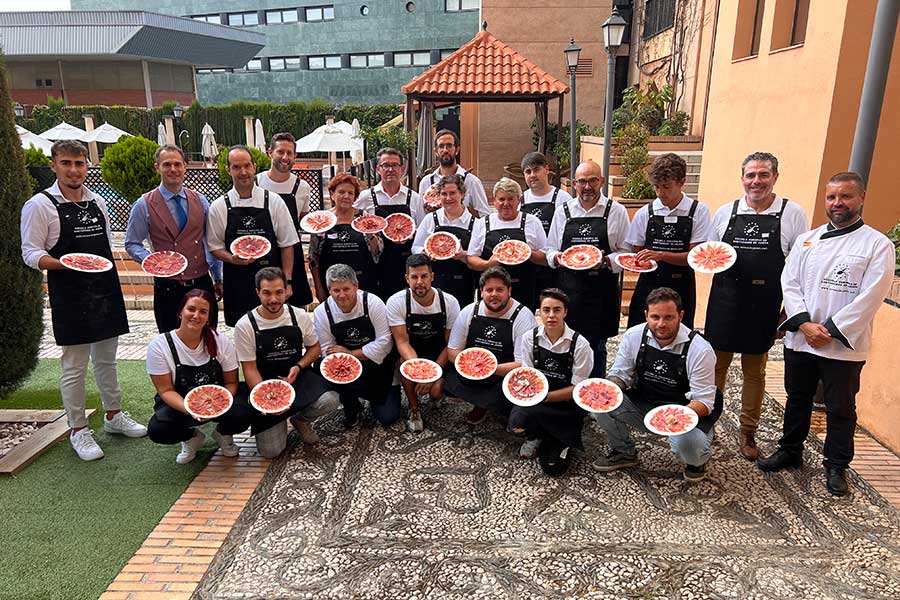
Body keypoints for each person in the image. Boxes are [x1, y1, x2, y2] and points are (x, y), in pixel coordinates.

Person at [758, 172, 895, 496]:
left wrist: (831, 331)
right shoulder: (809, 240)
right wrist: (804, 323)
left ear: (861, 198)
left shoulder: (877, 244)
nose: (837, 203)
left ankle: (836, 464)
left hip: (843, 345)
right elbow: (789, 282)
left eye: (845, 196)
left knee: (840, 407)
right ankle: (791, 450)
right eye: (832, 197)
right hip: (802, 339)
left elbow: (872, 296)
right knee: (797, 398)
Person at [20, 140, 146, 461]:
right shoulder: (40, 205)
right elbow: (31, 253)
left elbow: (103, 247)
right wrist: (62, 263)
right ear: (54, 166)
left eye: (79, 163)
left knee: (107, 359)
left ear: (87, 165)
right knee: (74, 365)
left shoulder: (97, 202)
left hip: (104, 289)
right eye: (66, 163)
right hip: (70, 293)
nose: (74, 170)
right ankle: (78, 429)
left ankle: (113, 415)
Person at [706, 152, 808, 460]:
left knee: (755, 371)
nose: (756, 181)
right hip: (724, 300)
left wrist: (789, 310)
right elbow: (711, 254)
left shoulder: (792, 214)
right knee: (715, 367)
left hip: (764, 304)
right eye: (750, 175)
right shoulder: (726, 212)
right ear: (742, 179)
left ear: (775, 177)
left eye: (763, 175)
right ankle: (707, 423)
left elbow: (800, 266)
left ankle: (747, 431)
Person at [592, 287, 722, 482]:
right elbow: (620, 374)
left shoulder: (700, 349)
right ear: (646, 315)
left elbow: (704, 401)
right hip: (645, 402)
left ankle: (698, 455)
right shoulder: (634, 336)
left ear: (681, 315)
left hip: (683, 411)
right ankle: (624, 451)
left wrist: (671, 419)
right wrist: (610, 389)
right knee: (601, 402)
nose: (661, 324)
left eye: (669, 317)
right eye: (655, 317)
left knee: (690, 447)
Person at [234, 268, 337, 457]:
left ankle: (300, 419)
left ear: (286, 291)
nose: (273, 299)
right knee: (271, 452)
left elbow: (314, 348)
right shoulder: (245, 325)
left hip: (297, 377)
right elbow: (249, 368)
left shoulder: (299, 316)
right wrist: (265, 400)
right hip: (265, 383)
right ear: (257, 292)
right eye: (267, 293)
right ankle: (278, 420)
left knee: (330, 400)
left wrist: (299, 366)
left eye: (279, 292)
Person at [146, 290, 254, 464]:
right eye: (191, 309)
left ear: (208, 318)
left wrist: (219, 405)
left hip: (219, 400)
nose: (196, 315)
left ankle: (222, 434)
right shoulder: (160, 345)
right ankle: (191, 438)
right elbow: (165, 390)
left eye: (203, 312)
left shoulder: (220, 341)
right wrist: (191, 409)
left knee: (242, 414)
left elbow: (231, 381)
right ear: (180, 311)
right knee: (158, 430)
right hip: (181, 401)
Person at [545, 160, 631, 378]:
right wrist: (557, 257)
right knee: (565, 344)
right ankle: (567, 393)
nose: (587, 187)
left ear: (601, 181)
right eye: (582, 181)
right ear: (574, 184)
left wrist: (606, 261)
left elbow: (626, 252)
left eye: (592, 180)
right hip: (568, 290)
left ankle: (596, 401)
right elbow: (550, 248)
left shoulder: (616, 211)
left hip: (600, 291)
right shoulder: (563, 211)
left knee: (597, 347)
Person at [125, 144, 223, 333]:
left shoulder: (200, 200)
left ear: (184, 166)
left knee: (208, 339)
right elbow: (131, 243)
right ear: (157, 167)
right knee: (170, 342)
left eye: (177, 164)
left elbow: (211, 240)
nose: (173, 170)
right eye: (167, 165)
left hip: (201, 282)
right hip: (168, 287)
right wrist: (152, 261)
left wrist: (217, 277)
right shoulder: (143, 204)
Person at [207, 145, 299, 326]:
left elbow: (287, 244)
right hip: (237, 280)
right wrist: (232, 259)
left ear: (254, 167)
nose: (243, 172)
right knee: (242, 331)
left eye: (247, 166)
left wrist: (287, 280)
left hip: (271, 282)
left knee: (274, 330)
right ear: (228, 170)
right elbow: (215, 246)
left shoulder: (273, 201)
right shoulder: (219, 206)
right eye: (236, 167)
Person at [508, 288, 593, 476]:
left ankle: (559, 439)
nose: (551, 315)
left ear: (565, 312)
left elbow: (579, 388)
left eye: (557, 310)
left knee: (553, 469)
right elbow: (528, 375)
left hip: (566, 403)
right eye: (546, 310)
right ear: (540, 311)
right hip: (538, 398)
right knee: (515, 424)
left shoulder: (580, 345)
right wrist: (535, 396)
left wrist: (546, 397)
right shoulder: (529, 338)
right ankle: (536, 435)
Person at [625, 153, 711, 329]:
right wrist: (639, 260)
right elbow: (636, 250)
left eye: (666, 186)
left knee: (680, 335)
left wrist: (661, 255)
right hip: (649, 284)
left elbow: (696, 257)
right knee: (640, 333)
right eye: (656, 187)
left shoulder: (698, 211)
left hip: (681, 285)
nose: (660, 193)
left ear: (682, 182)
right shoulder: (645, 213)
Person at [444, 266, 538, 425]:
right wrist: (472, 367)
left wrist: (489, 369)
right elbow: (452, 351)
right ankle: (481, 405)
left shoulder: (523, 316)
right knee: (448, 383)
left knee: (513, 404)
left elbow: (524, 364)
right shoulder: (469, 311)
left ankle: (506, 409)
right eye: (489, 290)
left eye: (500, 289)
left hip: (504, 374)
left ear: (509, 290)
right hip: (473, 370)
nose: (494, 294)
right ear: (481, 292)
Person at [314, 264, 396, 428]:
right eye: (336, 290)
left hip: (377, 366)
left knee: (387, 417)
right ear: (329, 289)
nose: (342, 295)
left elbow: (385, 343)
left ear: (356, 286)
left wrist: (350, 353)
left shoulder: (373, 303)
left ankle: (378, 398)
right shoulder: (322, 312)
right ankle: (351, 404)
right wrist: (346, 358)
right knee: (323, 369)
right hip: (346, 369)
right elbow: (328, 350)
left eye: (346, 289)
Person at [386, 253, 461, 432]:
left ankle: (437, 395)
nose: (419, 282)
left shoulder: (449, 302)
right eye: (414, 277)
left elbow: (450, 344)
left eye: (424, 276)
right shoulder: (396, 302)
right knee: (404, 365)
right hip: (412, 354)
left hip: (439, 354)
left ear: (432, 277)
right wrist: (421, 373)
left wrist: (434, 373)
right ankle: (414, 408)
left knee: (435, 391)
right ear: (407, 278)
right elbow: (402, 342)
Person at [467, 177, 548, 310]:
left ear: (519, 201)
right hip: (492, 292)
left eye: (511, 199)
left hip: (524, 289)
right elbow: (471, 259)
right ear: (494, 201)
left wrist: (528, 253)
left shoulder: (532, 222)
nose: (506, 203)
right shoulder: (483, 223)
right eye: (501, 199)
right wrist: (488, 264)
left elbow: (545, 258)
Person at [355, 148, 425, 301]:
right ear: (378, 169)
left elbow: (421, 230)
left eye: (395, 165)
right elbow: (355, 224)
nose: (390, 169)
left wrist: (410, 234)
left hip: (404, 263)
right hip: (375, 265)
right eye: (385, 165)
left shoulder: (414, 198)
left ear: (402, 168)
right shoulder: (366, 197)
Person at [255, 132, 314, 307]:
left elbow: (303, 220)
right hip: (262, 253)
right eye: (280, 152)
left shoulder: (302, 187)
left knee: (295, 307)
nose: (285, 157)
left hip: (292, 254)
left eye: (289, 153)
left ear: (295, 156)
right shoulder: (255, 183)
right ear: (270, 152)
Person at [309, 173, 379, 301]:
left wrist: (370, 234)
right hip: (333, 288)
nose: (346, 196)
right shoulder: (322, 221)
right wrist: (319, 289)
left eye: (350, 193)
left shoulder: (365, 218)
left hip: (364, 285)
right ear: (332, 194)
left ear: (355, 197)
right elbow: (314, 260)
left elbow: (377, 253)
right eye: (341, 192)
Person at [411, 174, 477, 308]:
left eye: (453, 193)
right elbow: (415, 247)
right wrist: (424, 252)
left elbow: (478, 256)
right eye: (444, 194)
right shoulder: (431, 219)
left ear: (462, 194)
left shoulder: (474, 223)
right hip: (435, 282)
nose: (448, 198)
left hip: (463, 283)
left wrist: (463, 255)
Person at [521, 152, 572, 307]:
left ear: (547, 169)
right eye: (528, 172)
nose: (532, 175)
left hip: (554, 268)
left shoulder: (563, 198)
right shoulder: (521, 199)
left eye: (536, 170)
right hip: (528, 266)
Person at [417, 129, 491, 217]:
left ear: (457, 150)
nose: (445, 150)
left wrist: (458, 208)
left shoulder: (472, 181)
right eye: (441, 146)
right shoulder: (426, 182)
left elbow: (484, 215)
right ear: (436, 151)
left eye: (449, 146)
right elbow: (420, 217)